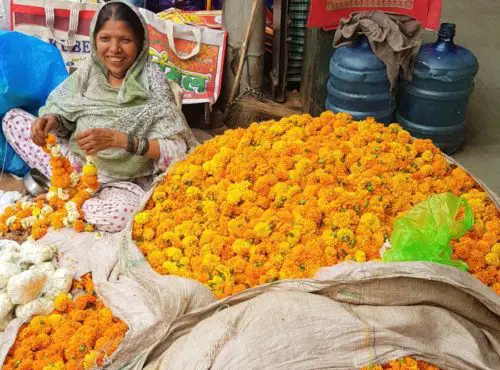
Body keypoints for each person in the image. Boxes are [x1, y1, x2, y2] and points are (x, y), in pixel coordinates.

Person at [1, 0, 198, 232]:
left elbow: (178, 150)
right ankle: (72, 192)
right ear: (95, 40)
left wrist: (121, 141)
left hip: (124, 181)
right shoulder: (88, 73)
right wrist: (50, 121)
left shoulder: (153, 82)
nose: (114, 49)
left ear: (140, 42)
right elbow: (63, 110)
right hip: (76, 166)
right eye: (105, 39)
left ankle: (68, 201)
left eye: (125, 40)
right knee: (12, 119)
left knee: (122, 216)